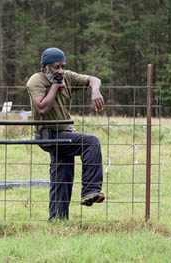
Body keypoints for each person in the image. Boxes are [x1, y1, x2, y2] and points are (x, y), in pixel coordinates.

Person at [27, 47, 108, 220]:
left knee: (63, 174)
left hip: (64, 135)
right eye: (56, 67)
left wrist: (95, 90)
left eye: (63, 66)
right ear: (45, 68)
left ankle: (57, 219)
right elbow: (42, 108)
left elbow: (93, 79)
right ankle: (90, 191)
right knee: (91, 142)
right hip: (48, 136)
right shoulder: (36, 80)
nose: (60, 71)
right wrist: (55, 86)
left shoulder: (67, 76)